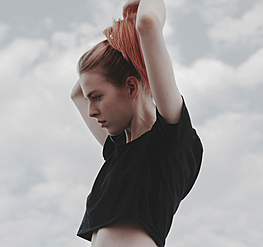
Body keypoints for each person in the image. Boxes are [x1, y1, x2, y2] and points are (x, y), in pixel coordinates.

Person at [71, 0, 203, 246]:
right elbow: (76, 93)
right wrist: (121, 43)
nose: (90, 111)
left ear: (131, 86)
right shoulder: (117, 152)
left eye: (97, 97)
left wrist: (137, 15)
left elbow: (148, 23)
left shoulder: (169, 141)